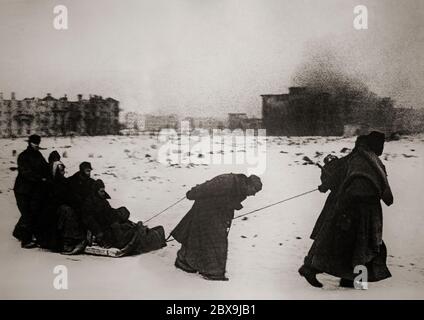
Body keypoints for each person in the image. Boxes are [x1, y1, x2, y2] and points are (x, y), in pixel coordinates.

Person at [299, 131, 394, 288]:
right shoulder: (361, 159)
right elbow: (341, 174)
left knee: (346, 243)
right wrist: (326, 185)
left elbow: (338, 174)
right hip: (353, 209)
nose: (382, 148)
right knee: (343, 242)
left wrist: (326, 185)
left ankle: (346, 278)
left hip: (358, 208)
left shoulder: (366, 158)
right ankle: (313, 268)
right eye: (380, 144)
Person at [171, 173, 263, 281]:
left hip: (216, 213)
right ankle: (210, 270)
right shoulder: (228, 181)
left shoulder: (241, 190)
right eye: (254, 190)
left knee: (202, 238)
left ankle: (187, 262)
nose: (254, 194)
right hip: (204, 210)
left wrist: (233, 206)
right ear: (249, 184)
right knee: (209, 239)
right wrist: (192, 193)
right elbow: (207, 187)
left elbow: (226, 199)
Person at [12, 134, 49, 248]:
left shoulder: (38, 155)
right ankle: (25, 240)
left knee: (31, 212)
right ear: (29, 143)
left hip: (33, 190)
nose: (36, 145)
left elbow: (45, 167)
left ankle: (18, 232)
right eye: (34, 143)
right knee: (27, 214)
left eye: (38, 143)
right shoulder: (23, 156)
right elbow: (25, 172)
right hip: (22, 190)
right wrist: (40, 178)